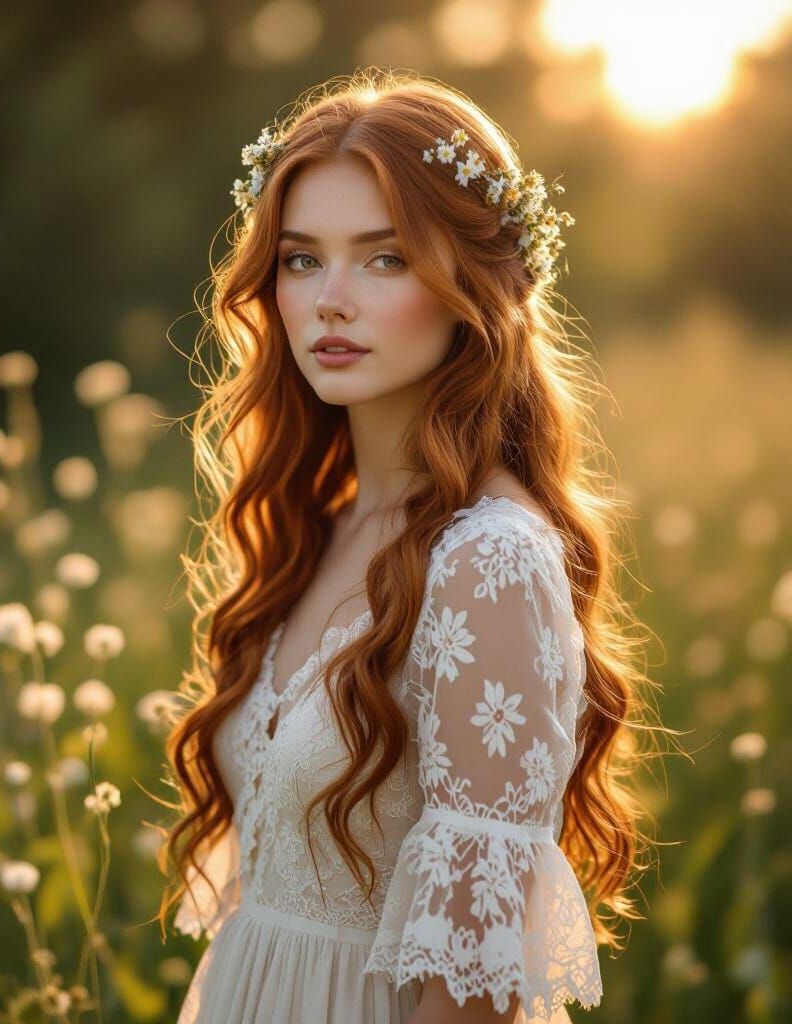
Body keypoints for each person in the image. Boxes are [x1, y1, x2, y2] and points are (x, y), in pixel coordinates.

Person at [158, 68, 658, 1024]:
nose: (329, 301)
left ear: (474, 285)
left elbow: (475, 994)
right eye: (302, 260)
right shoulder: (314, 524)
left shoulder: (489, 559)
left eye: (384, 259)